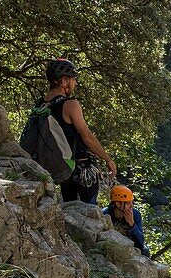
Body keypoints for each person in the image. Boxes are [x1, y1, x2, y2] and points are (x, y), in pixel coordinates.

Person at [41, 58, 117, 204]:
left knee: (68, 207)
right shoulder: (70, 104)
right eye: (73, 79)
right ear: (63, 81)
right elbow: (87, 137)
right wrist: (108, 159)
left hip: (61, 168)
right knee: (89, 212)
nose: (75, 83)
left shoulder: (41, 105)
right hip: (81, 170)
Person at [103, 185, 149, 256]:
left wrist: (132, 224)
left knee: (145, 251)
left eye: (131, 202)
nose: (131, 206)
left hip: (130, 245)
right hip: (111, 243)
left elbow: (141, 241)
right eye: (128, 203)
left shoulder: (135, 214)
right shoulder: (105, 214)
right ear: (118, 204)